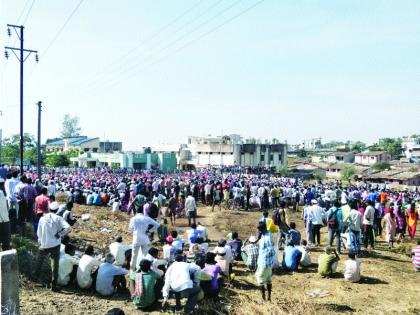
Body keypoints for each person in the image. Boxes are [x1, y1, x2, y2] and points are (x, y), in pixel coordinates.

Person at [34, 202, 72, 291]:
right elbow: (69, 228)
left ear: (49, 208)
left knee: (39, 262)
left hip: (44, 244)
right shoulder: (59, 218)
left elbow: (38, 233)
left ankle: (35, 279)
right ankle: (53, 285)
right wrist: (60, 234)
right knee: (55, 266)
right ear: (57, 210)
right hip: (55, 245)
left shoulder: (42, 218)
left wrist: (40, 241)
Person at [128, 205, 160, 271]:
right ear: (143, 211)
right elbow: (157, 224)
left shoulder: (133, 219)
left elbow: (130, 229)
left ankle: (132, 271)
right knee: (145, 255)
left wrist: (134, 232)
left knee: (134, 256)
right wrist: (150, 231)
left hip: (136, 238)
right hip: (145, 238)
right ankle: (145, 269)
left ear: (136, 211)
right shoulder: (146, 218)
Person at [255, 222, 275, 301]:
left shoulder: (267, 238)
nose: (258, 231)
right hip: (265, 262)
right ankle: (269, 298)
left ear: (262, 229)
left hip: (265, 262)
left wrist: (267, 261)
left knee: (260, 279)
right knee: (268, 279)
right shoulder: (266, 234)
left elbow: (271, 250)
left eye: (259, 230)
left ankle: (263, 298)